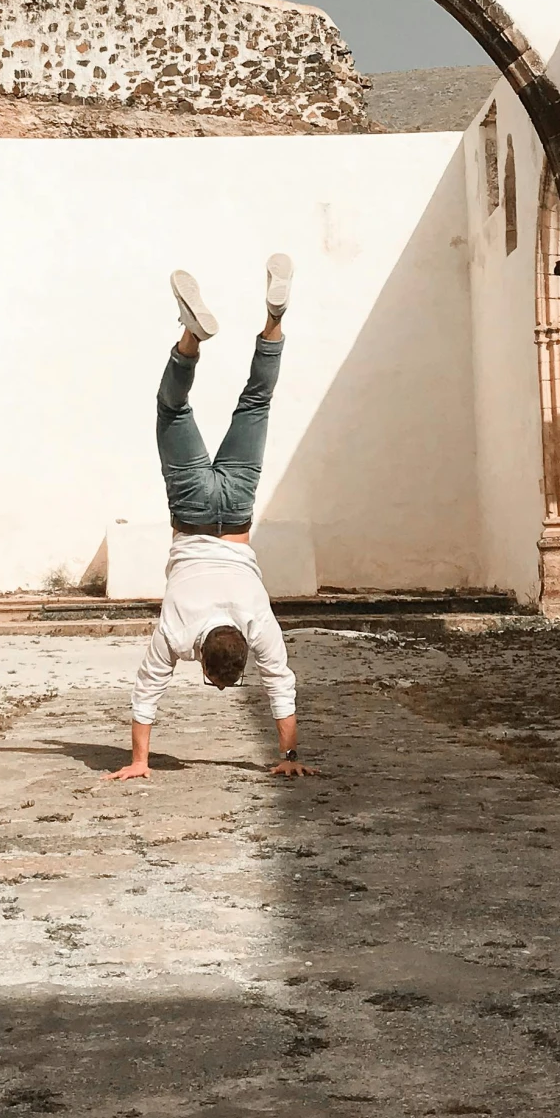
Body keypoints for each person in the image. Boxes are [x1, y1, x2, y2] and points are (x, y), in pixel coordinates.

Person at [108, 256, 314, 783]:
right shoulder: (177, 629)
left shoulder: (257, 620)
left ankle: (274, 318)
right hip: (193, 510)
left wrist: (292, 755)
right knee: (172, 411)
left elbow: (281, 683)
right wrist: (138, 761)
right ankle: (189, 339)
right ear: (202, 659)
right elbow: (146, 690)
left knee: (257, 403)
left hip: (238, 509)